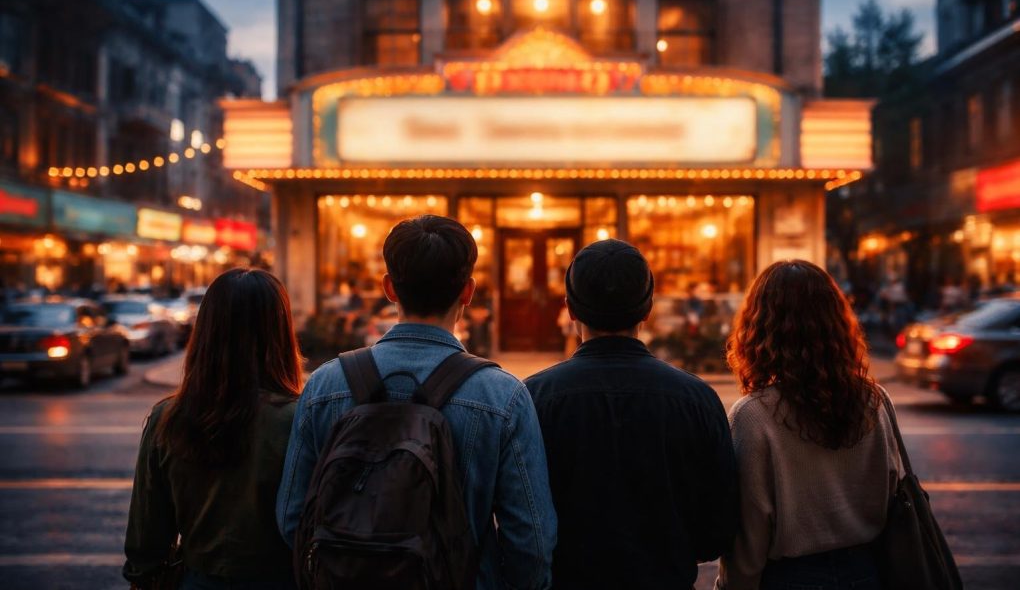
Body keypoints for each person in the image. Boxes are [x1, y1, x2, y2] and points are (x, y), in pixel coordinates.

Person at [276, 215, 556, 589]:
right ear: (468, 292)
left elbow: (292, 517)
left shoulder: (326, 385)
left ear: (389, 288)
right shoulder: (501, 396)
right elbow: (531, 543)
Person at [525, 239, 738, 590]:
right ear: (648, 308)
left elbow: (521, 520)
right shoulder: (696, 399)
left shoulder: (535, 398)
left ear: (571, 311)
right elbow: (718, 529)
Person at [716, 260, 903, 590]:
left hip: (790, 578)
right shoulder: (875, 400)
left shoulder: (753, 416)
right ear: (836, 323)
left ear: (759, 328)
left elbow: (749, 532)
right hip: (867, 571)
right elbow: (893, 492)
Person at [123, 268, 304, 589]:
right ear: (281, 332)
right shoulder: (300, 419)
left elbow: (146, 540)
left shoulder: (168, 418)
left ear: (206, 331)